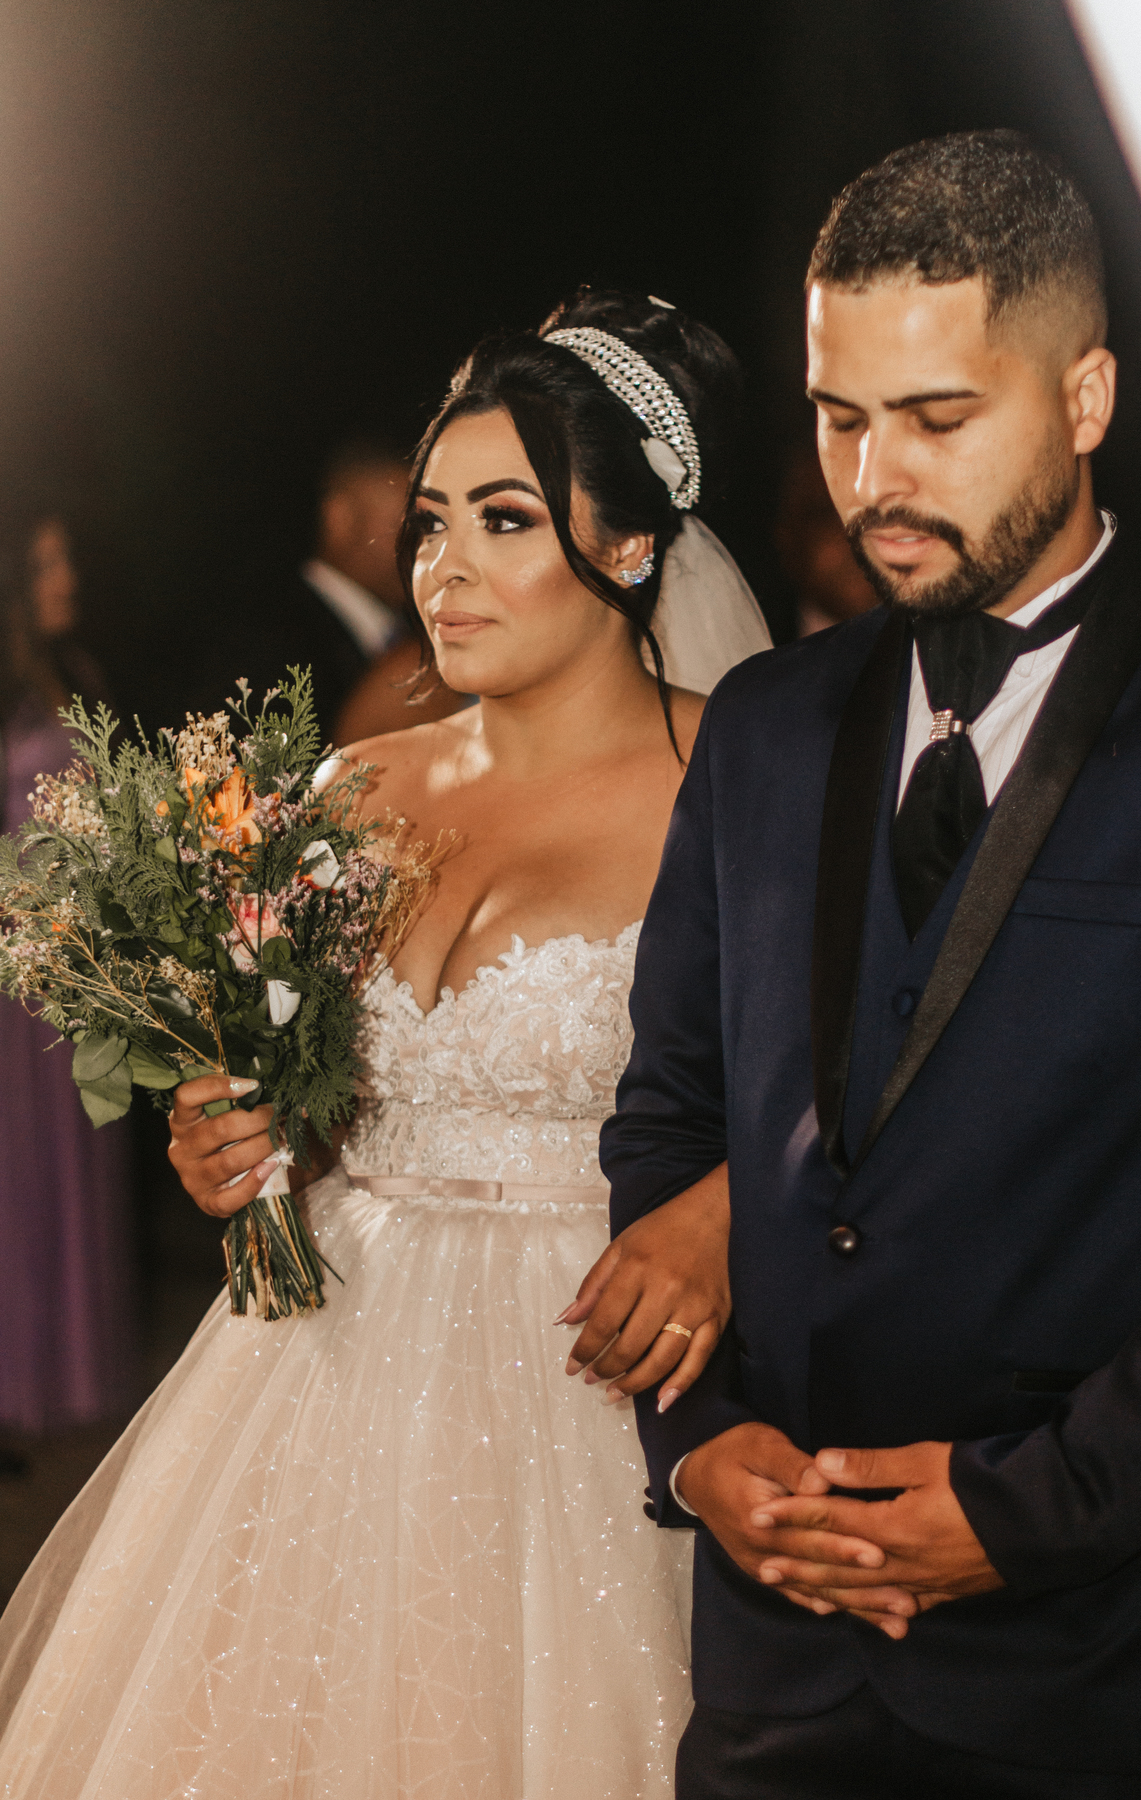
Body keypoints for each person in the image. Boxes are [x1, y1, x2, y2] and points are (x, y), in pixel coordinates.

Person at [0, 291, 770, 1797]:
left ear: (629, 546)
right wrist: (238, 1140)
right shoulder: (349, 791)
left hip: (590, 1376)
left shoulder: (740, 776)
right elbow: (308, 1104)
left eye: (504, 520)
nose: (444, 569)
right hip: (324, 1370)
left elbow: (854, 1081)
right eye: (430, 523)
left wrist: (727, 1213)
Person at [586, 132, 1141, 1796]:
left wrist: (1026, 1513)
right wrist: (697, 1444)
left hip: (1108, 1674)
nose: (874, 479)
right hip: (775, 1672)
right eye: (840, 418)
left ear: (1085, 397)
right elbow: (670, 1119)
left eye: (937, 419)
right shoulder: (765, 725)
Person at [0, 507, 136, 1446]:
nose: (67, 577)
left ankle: (68, 1367)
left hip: (78, 969)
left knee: (78, 1164)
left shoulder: (77, 674)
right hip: (11, 976)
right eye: (47, 562)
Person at [208, 439, 461, 744]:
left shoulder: (412, 633)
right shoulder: (265, 638)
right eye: (409, 525)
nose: (428, 546)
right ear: (340, 518)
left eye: (434, 529)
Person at [773, 439, 876, 636]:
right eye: (829, 515)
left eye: (872, 513)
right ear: (788, 535)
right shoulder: (757, 642)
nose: (857, 538)